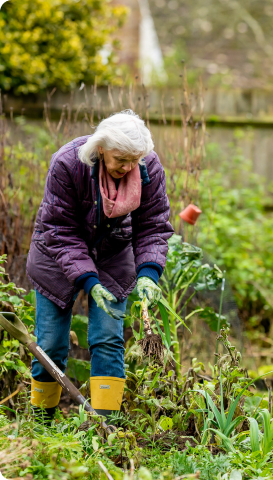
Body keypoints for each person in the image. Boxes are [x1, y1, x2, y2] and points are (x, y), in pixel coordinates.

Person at [26, 110, 174, 420]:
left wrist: (148, 273)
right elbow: (59, 230)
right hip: (56, 256)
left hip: (113, 256)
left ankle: (106, 429)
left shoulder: (147, 166)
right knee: (50, 344)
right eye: (122, 159)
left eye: (135, 159)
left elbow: (154, 225)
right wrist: (89, 282)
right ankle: (41, 425)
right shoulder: (68, 163)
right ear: (101, 148)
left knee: (108, 337)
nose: (129, 166)